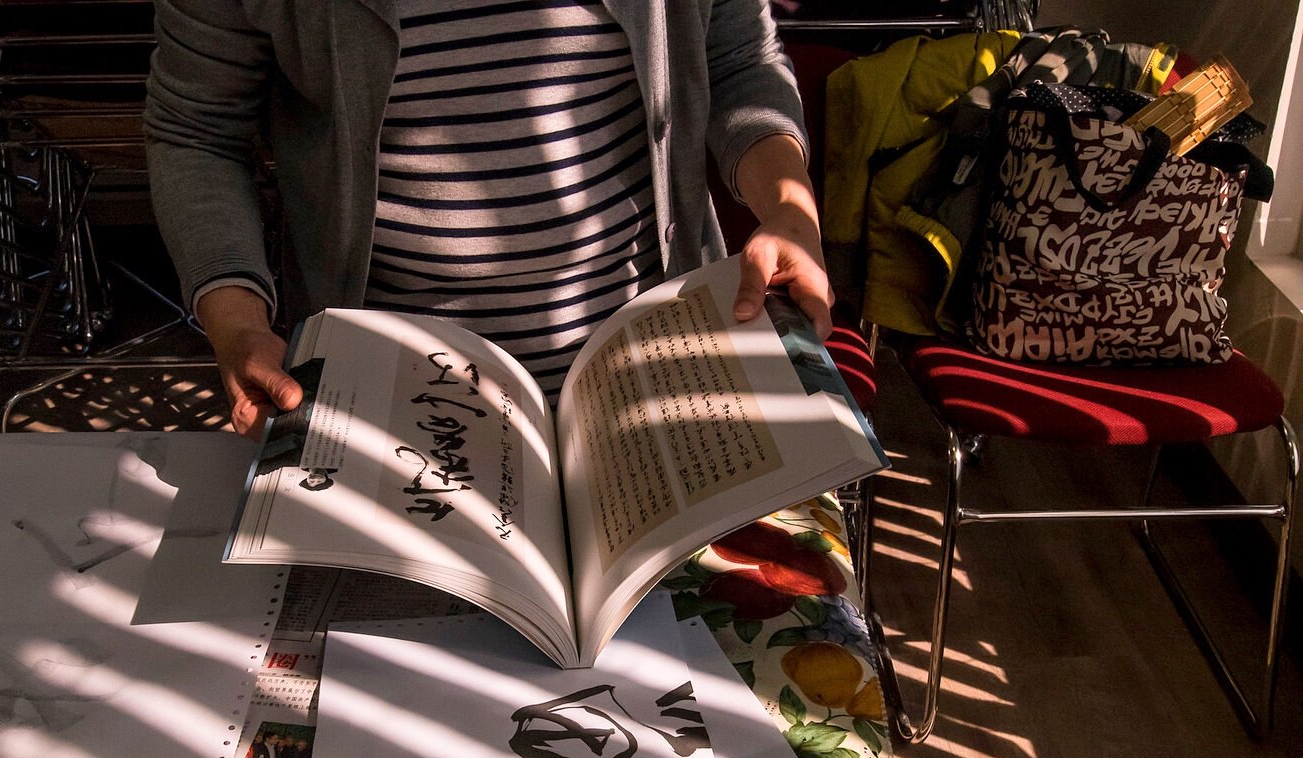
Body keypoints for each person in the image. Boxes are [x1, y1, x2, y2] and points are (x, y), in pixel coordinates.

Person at [145, 0, 833, 439]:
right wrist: (237, 320)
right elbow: (196, 131)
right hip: (385, 394)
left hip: (653, 369)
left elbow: (740, 61)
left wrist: (789, 208)